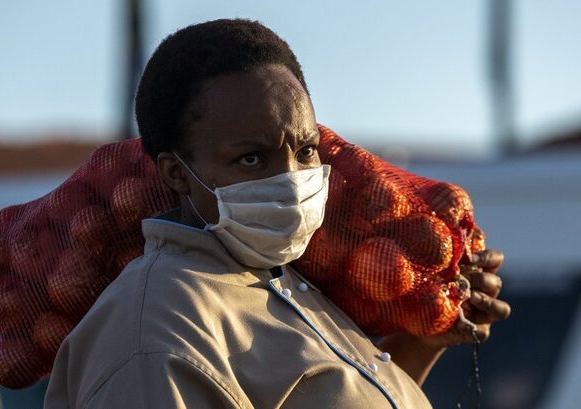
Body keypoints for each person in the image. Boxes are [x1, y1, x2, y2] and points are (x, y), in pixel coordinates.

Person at [44, 19, 511, 408]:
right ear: (177, 173)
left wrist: (420, 344)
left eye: (305, 150)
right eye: (251, 158)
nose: (291, 179)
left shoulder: (284, 284)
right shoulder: (156, 331)